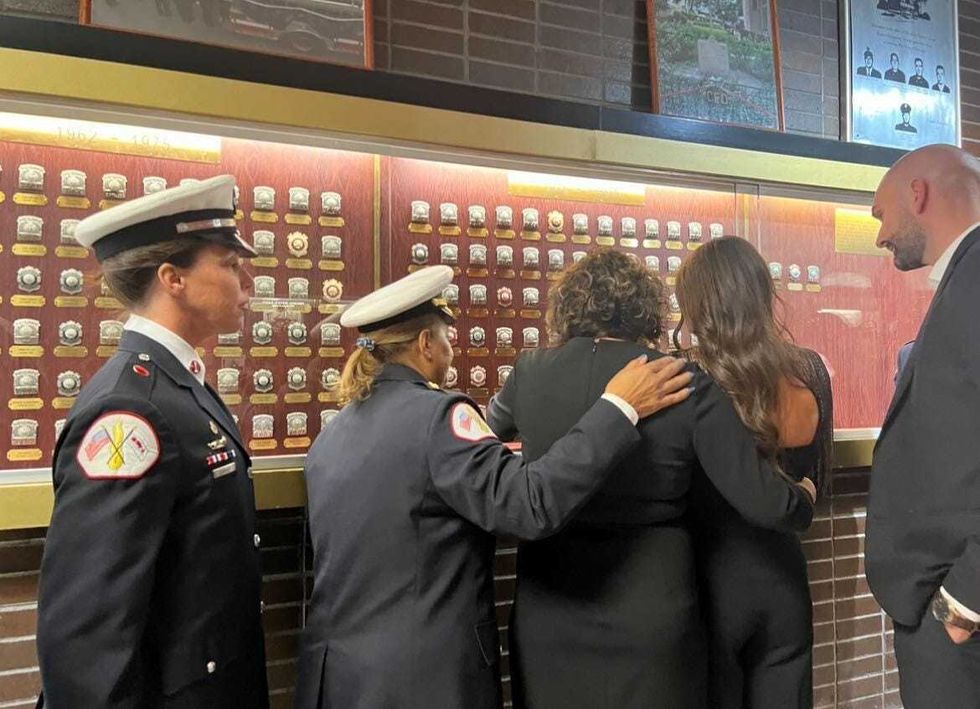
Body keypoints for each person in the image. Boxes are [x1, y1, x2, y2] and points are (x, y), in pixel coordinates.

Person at [295, 265, 696, 709]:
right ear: (426, 344)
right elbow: (530, 505)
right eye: (446, 335)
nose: (452, 346)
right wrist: (617, 407)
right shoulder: (440, 419)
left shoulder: (334, 433)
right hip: (422, 683)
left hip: (340, 679)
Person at [485, 249, 817, 709]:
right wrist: (803, 496)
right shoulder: (680, 379)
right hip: (652, 613)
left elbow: (484, 439)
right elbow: (759, 498)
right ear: (646, 307)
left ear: (567, 307)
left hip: (550, 606)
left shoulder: (529, 372)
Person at [35, 176, 269, 708]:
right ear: (173, 279)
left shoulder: (177, 382)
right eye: (230, 265)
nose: (246, 283)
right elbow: (88, 635)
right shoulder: (130, 411)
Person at [674, 237, 832, 709]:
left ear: (701, 306)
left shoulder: (692, 386)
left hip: (711, 586)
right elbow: (814, 477)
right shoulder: (809, 376)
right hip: (783, 581)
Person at [867, 145, 980, 706]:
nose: (880, 235)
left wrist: (965, 599)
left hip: (962, 615)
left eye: (881, 214)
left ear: (919, 194)